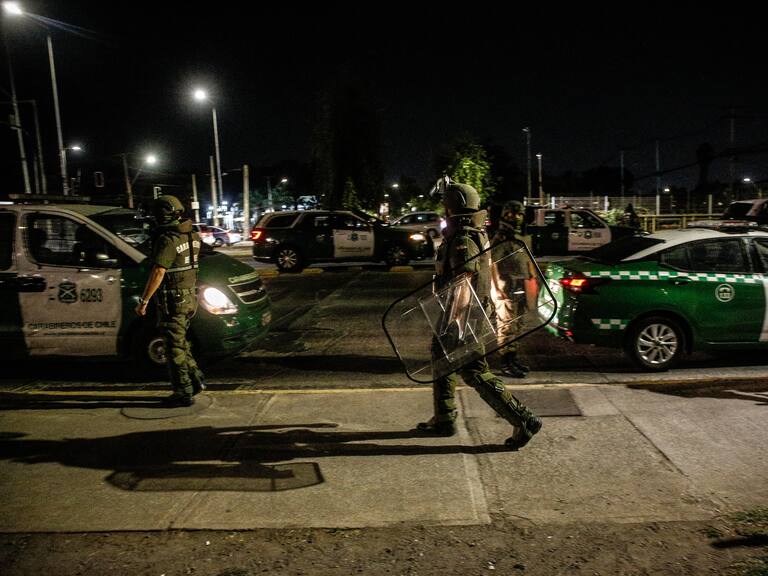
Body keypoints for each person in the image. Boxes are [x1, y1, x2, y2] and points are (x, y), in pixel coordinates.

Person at [417, 182, 542, 450]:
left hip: (463, 317)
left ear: (452, 206)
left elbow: (464, 280)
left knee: (474, 371)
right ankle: (444, 418)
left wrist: (454, 323)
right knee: (441, 361)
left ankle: (523, 419)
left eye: (445, 203)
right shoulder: (472, 232)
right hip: (461, 314)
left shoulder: (463, 238)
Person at [135, 195, 206, 407]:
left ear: (161, 215)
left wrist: (144, 301)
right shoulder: (193, 236)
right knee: (181, 343)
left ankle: (183, 392)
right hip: (188, 298)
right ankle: (195, 380)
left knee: (173, 348)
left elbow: (158, 272)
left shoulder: (168, 239)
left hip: (172, 301)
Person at [490, 200, 533, 378]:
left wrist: (531, 275)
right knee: (506, 327)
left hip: (520, 287)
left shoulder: (519, 237)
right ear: (505, 214)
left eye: (519, 214)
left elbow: (527, 260)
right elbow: (492, 263)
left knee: (518, 326)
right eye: (512, 213)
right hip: (506, 288)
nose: (516, 217)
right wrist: (496, 288)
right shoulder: (500, 238)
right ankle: (505, 363)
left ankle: (513, 359)